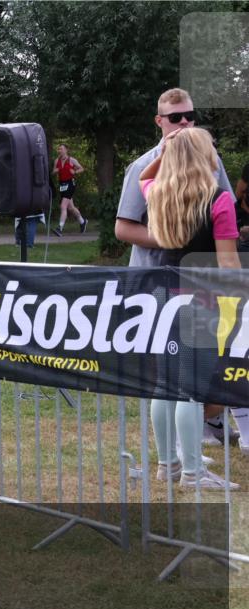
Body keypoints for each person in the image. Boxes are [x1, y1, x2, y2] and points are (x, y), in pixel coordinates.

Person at [115, 87, 246, 448]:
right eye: (176, 118)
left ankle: (181, 452)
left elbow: (225, 216)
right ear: (160, 121)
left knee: (180, 380)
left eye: (190, 117)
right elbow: (123, 228)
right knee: (187, 379)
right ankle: (187, 463)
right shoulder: (143, 166)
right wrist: (173, 238)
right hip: (171, 284)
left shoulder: (199, 171)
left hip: (188, 285)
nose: (185, 123)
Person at [140, 127, 241, 490]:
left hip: (161, 296)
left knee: (165, 385)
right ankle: (194, 473)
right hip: (200, 298)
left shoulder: (159, 193)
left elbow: (142, 178)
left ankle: (167, 465)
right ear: (203, 155)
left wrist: (165, 154)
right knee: (192, 389)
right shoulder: (219, 200)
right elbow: (228, 263)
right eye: (211, 146)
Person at [51, 144, 87, 236]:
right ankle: (83, 222)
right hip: (62, 185)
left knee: (63, 206)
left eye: (61, 149)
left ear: (66, 150)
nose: (60, 150)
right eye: (59, 149)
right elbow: (53, 172)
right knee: (70, 207)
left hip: (70, 184)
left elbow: (81, 169)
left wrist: (75, 172)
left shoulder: (71, 160)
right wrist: (56, 171)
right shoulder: (57, 160)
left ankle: (60, 228)